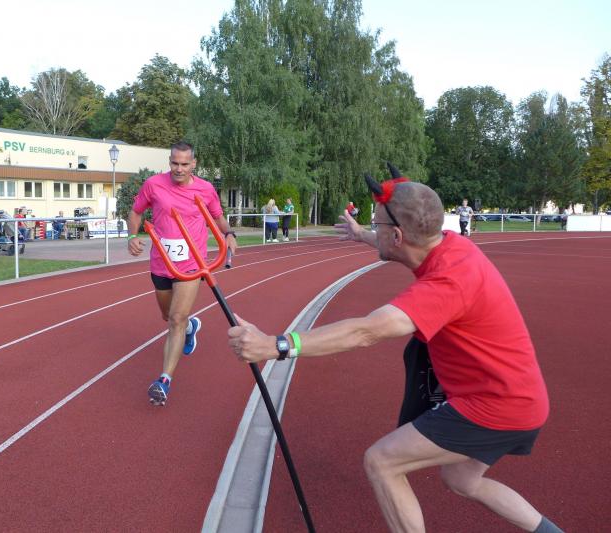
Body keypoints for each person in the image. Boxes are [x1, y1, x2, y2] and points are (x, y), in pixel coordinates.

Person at [228, 169, 562, 533]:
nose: (376, 229)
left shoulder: (446, 283)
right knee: (462, 480)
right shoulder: (451, 246)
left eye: (378, 225)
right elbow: (400, 242)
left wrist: (275, 345)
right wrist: (363, 235)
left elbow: (367, 331)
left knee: (382, 462)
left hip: (496, 405)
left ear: (398, 235)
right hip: (519, 396)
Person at [127, 141, 237, 406]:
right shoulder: (153, 184)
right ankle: (191, 327)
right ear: (169, 162)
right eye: (175, 163)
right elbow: (135, 212)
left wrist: (229, 233)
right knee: (168, 316)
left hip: (192, 263)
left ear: (193, 164)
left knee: (176, 319)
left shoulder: (206, 189)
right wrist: (132, 235)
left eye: (185, 164)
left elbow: (218, 217)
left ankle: (164, 380)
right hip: (161, 263)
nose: (179, 169)